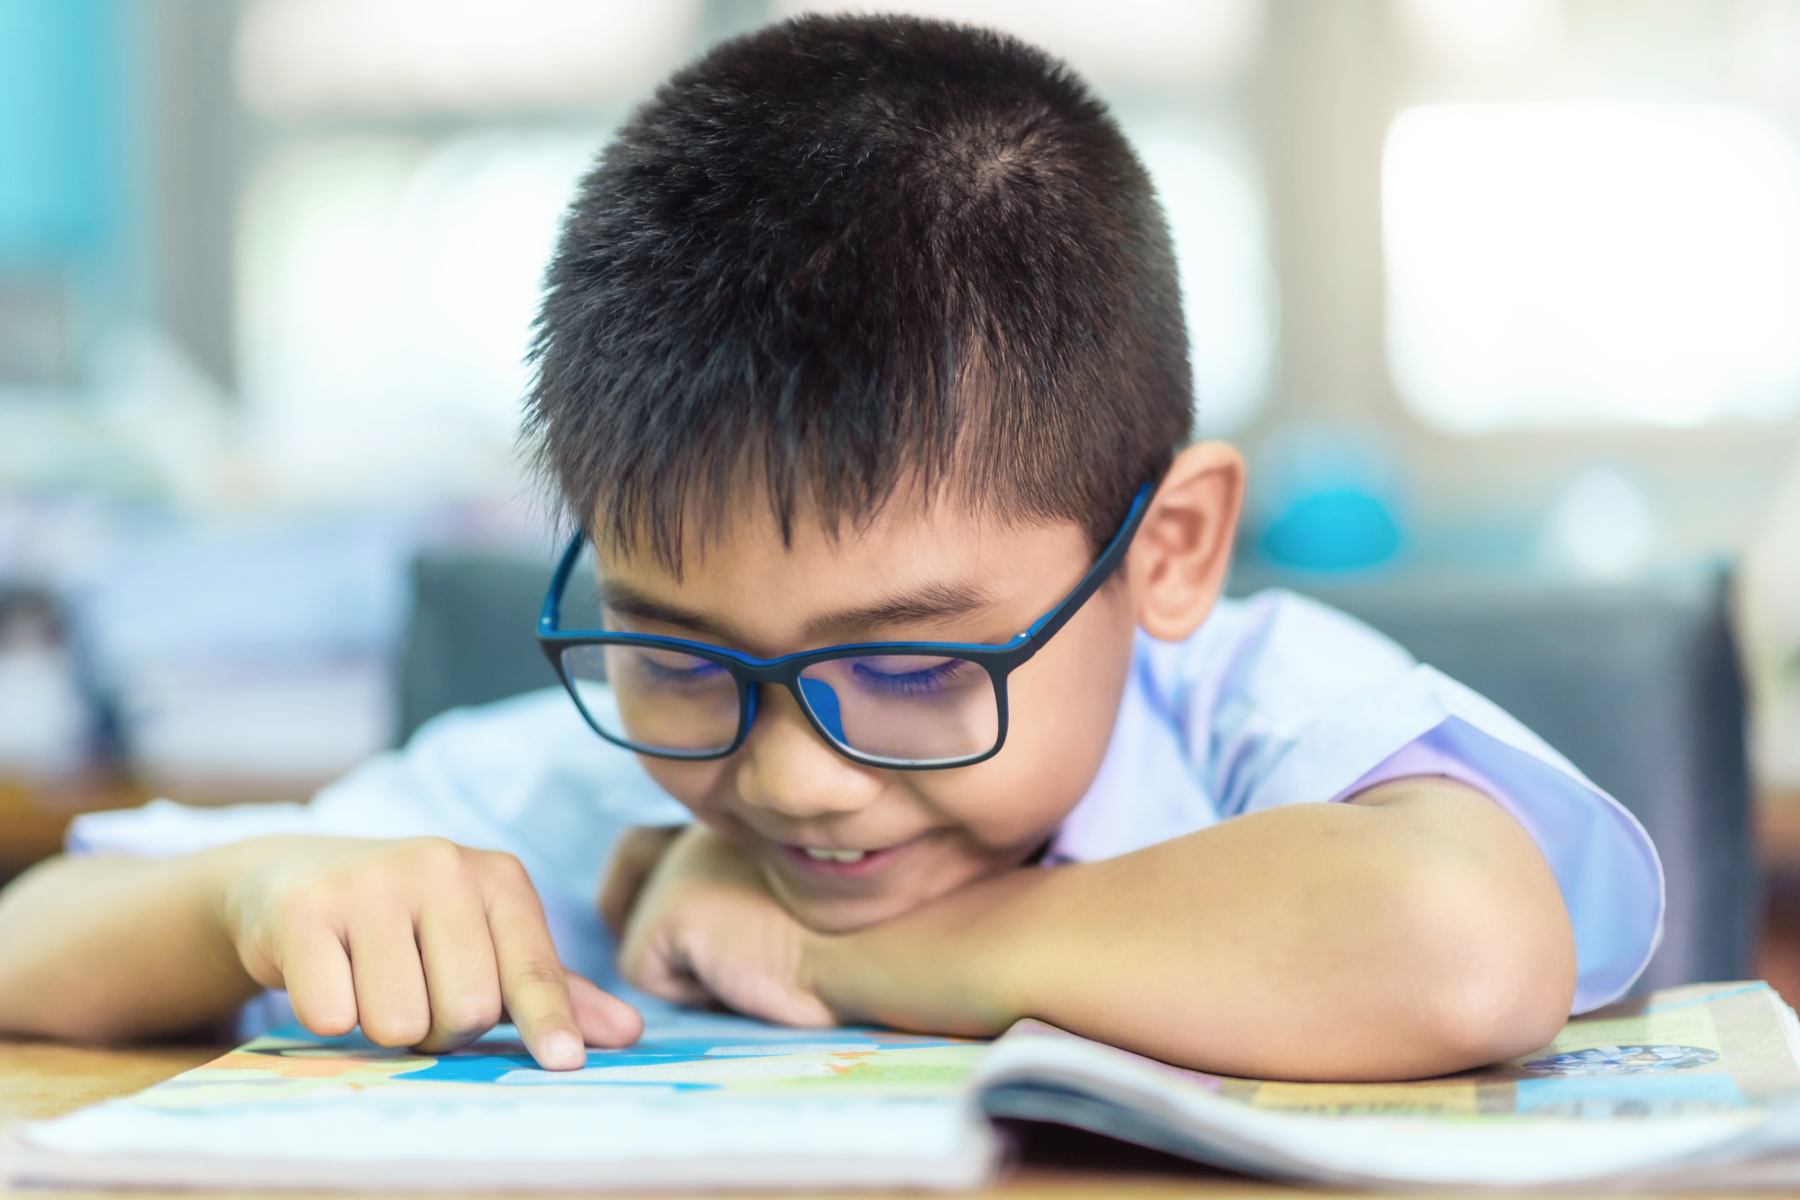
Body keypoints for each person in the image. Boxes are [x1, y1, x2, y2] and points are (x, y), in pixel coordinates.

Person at [0, 15, 1661, 1083]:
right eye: (678, 654)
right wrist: (258, 894)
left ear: (1168, 549)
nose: (792, 780)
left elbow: (1465, 946)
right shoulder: (592, 803)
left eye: (920, 664)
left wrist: (832, 951)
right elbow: (33, 950)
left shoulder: (1253, 713)